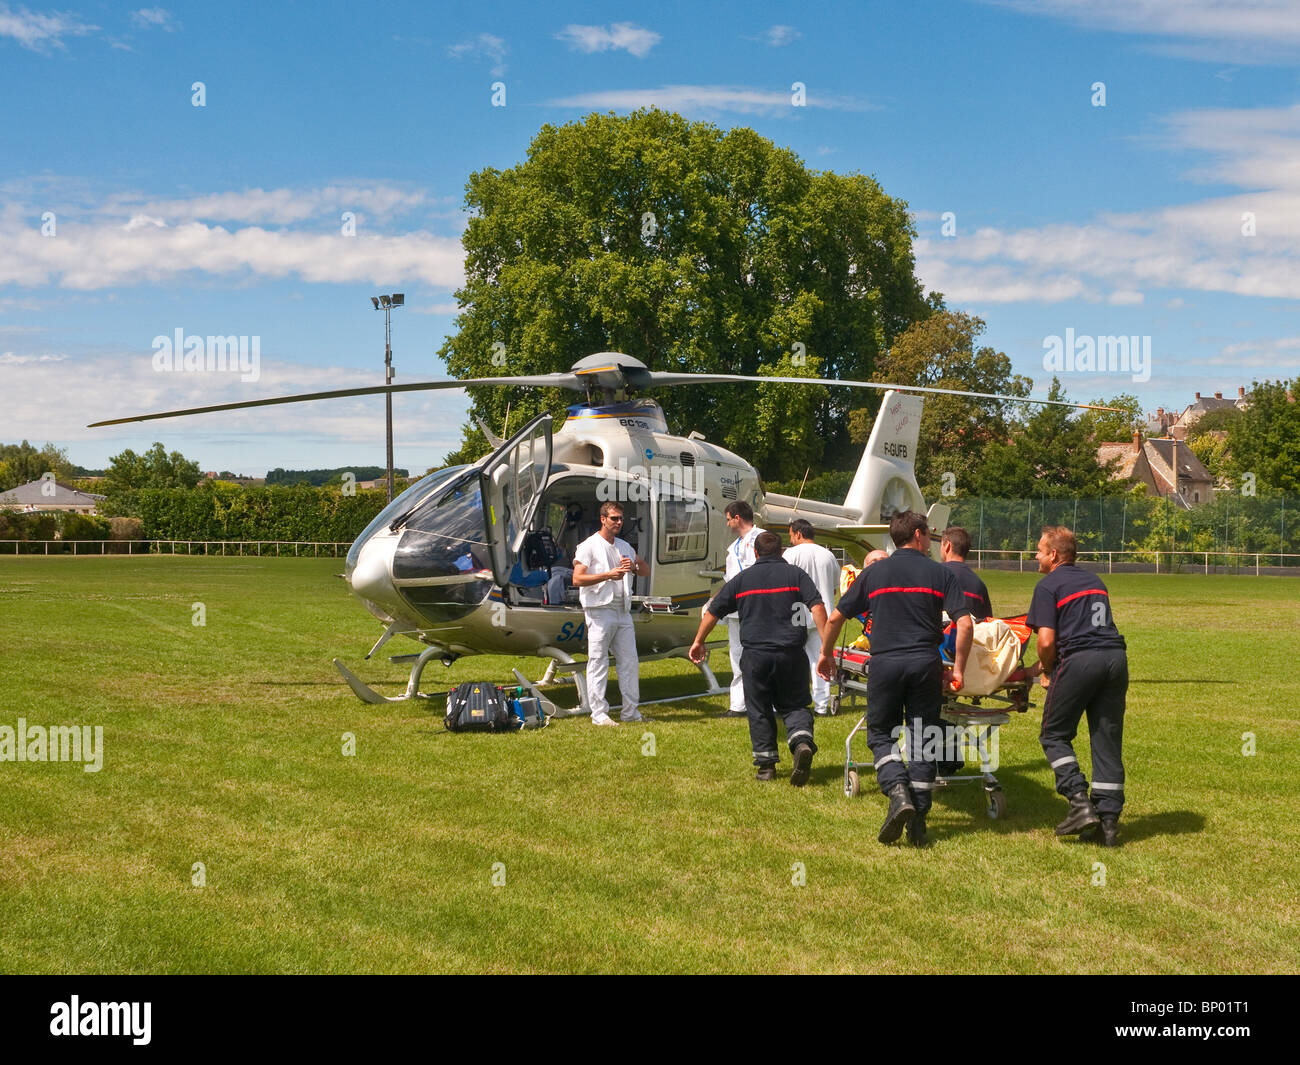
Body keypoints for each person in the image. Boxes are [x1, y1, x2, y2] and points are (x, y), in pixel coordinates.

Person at [817, 511, 973, 846]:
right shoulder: (939, 573)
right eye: (928, 534)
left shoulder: (874, 573)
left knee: (880, 734)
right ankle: (919, 820)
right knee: (923, 737)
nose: (931, 539)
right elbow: (966, 623)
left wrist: (826, 654)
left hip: (885, 664)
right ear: (917, 535)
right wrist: (958, 669)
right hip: (924, 664)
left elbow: (834, 618)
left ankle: (897, 790)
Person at [690, 532, 827, 784]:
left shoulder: (742, 579)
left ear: (755, 553)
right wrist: (826, 647)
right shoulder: (796, 575)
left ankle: (766, 767)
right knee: (795, 704)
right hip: (790, 653)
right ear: (781, 552)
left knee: (759, 708)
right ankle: (801, 742)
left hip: (755, 656)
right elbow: (817, 607)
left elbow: (713, 611)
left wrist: (699, 641)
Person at [1027, 526, 1128, 847]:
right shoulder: (1095, 581)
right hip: (1115, 659)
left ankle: (1078, 801)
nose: (1036, 556)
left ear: (1054, 555)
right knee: (1106, 739)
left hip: (1080, 661)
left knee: (1053, 734)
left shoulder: (1048, 585)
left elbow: (1046, 641)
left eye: (1040, 551)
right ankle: (1108, 824)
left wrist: (1047, 669)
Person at [572, 501, 651, 726]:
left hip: (622, 610)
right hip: (599, 610)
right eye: (614, 518)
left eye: (620, 519)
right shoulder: (589, 546)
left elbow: (645, 569)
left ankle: (630, 712)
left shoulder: (625, 546)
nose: (618, 522)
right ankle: (598, 714)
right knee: (598, 661)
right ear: (603, 519)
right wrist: (608, 574)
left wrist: (632, 567)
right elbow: (577, 579)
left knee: (629, 661)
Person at [783, 519, 842, 715]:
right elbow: (835, 588)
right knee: (821, 659)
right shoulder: (829, 555)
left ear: (798, 534)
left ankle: (794, 702)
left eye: (791, 535)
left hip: (797, 614)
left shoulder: (790, 554)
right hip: (823, 615)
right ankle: (821, 706)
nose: (791, 540)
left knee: (792, 661)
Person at [717, 501, 764, 719]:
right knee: (737, 656)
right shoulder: (734, 546)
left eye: (728, 519)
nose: (727, 524)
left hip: (758, 608)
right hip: (736, 610)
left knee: (762, 655)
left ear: (737, 518)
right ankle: (738, 705)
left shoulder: (762, 539)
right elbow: (730, 580)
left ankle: (767, 703)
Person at [940, 526, 993, 620]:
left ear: (947, 545)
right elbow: (986, 623)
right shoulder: (979, 585)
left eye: (941, 545)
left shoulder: (934, 574)